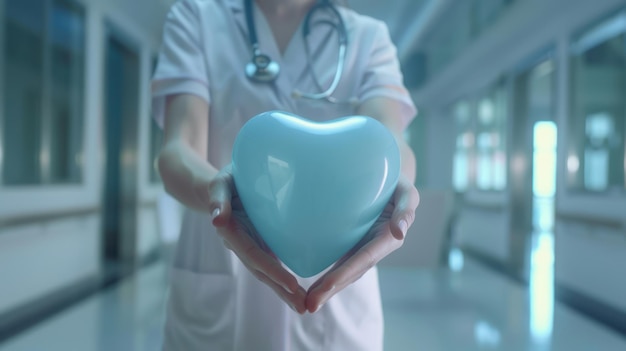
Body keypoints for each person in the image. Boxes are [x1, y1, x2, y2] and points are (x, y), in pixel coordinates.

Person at [151, 0, 420, 349]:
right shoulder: (197, 17)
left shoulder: (367, 37)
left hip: (337, 305)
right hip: (219, 279)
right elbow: (179, 148)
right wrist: (218, 193)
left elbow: (389, 142)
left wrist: (398, 186)